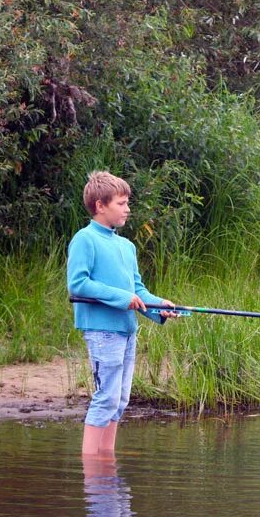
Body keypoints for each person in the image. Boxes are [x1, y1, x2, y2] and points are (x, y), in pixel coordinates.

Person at [67, 171, 180, 455]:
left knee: (120, 400)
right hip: (102, 332)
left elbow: (138, 291)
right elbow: (78, 284)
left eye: (127, 202)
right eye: (121, 203)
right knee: (105, 398)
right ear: (99, 206)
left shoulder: (126, 247)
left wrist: (159, 308)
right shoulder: (85, 239)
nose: (127, 209)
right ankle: (91, 467)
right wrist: (122, 298)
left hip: (127, 331)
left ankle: (107, 459)